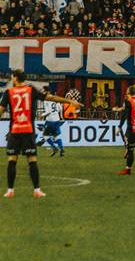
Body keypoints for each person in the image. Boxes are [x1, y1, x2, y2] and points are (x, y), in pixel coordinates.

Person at [0, 70, 82, 199]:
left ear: (15, 78)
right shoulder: (31, 90)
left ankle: (10, 190)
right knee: (32, 161)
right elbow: (50, 97)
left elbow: (1, 111)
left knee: (12, 161)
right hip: (28, 130)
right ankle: (37, 190)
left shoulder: (8, 93)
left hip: (14, 131)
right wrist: (69, 101)